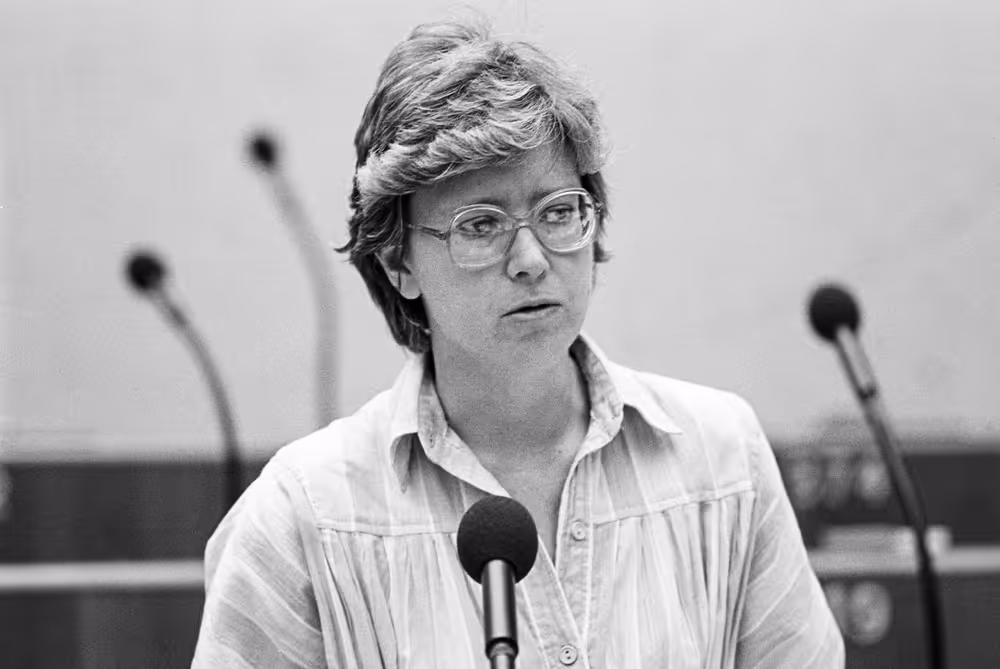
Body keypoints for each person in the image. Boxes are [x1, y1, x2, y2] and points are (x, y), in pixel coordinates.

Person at [192, 19, 844, 668]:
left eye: (559, 211)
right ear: (399, 262)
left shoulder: (721, 459)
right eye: (482, 224)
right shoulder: (305, 515)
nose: (531, 258)